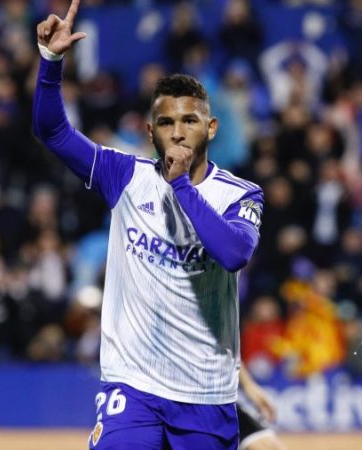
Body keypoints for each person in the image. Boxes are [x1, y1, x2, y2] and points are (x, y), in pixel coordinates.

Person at [33, 1, 264, 448]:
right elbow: (54, 133)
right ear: (150, 130)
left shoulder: (240, 193)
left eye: (190, 121)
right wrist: (51, 63)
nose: (178, 132)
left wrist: (181, 188)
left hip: (206, 393)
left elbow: (234, 254)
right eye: (166, 122)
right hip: (132, 385)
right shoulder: (125, 176)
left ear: (211, 128)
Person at [237, 365, 289, 450]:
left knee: (268, 446)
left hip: (221, 399)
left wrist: (248, 385)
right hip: (210, 404)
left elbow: (229, 353)